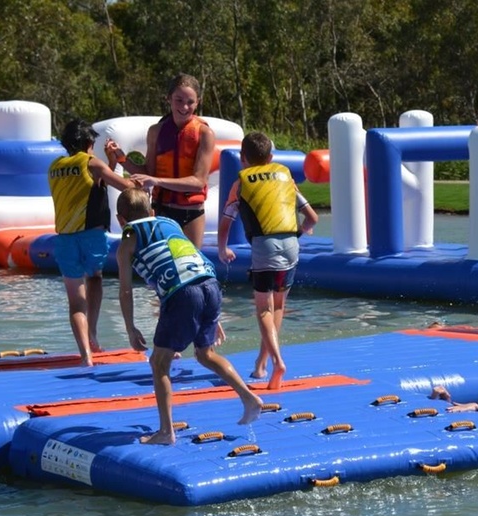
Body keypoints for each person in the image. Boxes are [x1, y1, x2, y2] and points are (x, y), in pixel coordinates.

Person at [115, 187, 263, 444]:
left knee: (159, 363)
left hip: (184, 292)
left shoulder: (128, 237)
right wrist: (212, 316)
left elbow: (126, 291)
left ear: (120, 220)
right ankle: (249, 397)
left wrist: (130, 327)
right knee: (206, 354)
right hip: (210, 284)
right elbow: (182, 260)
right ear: (152, 212)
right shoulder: (169, 222)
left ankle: (165, 432)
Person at [217, 131, 318, 390]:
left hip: (264, 246)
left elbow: (226, 221)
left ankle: (277, 361)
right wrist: (303, 230)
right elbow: (312, 218)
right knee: (279, 305)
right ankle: (261, 364)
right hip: (291, 246)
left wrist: (222, 248)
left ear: (242, 159)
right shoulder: (285, 176)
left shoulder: (240, 182)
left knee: (263, 308)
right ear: (271, 157)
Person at [48, 118, 135, 367]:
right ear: (89, 142)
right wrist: (118, 161)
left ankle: (85, 354)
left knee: (75, 302)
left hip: (64, 239)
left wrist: (106, 165)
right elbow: (124, 185)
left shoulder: (54, 166)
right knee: (95, 278)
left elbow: (90, 184)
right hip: (91, 236)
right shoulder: (91, 162)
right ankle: (93, 334)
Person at [106, 73, 216, 248]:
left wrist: (157, 181)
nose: (185, 107)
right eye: (179, 100)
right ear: (169, 99)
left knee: (189, 267)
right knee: (161, 265)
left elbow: (198, 182)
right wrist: (120, 157)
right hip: (161, 208)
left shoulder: (204, 134)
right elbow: (148, 174)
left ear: (198, 102)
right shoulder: (156, 132)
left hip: (190, 213)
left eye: (190, 101)